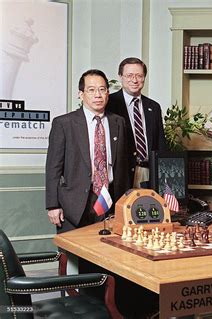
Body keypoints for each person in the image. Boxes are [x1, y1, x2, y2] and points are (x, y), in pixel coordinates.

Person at [46, 69, 129, 233]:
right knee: (74, 256)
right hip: (75, 203)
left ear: (107, 93)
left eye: (102, 89)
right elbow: (53, 168)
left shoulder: (118, 122)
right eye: (91, 90)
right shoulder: (64, 123)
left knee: (108, 252)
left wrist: (124, 203)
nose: (98, 95)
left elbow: (123, 166)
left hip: (110, 199)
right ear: (81, 94)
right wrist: (53, 205)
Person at [107, 57, 167, 188]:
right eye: (129, 75)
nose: (134, 80)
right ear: (120, 77)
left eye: (139, 75)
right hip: (121, 174)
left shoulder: (153, 107)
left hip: (149, 172)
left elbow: (160, 144)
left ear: (144, 77)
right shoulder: (109, 104)